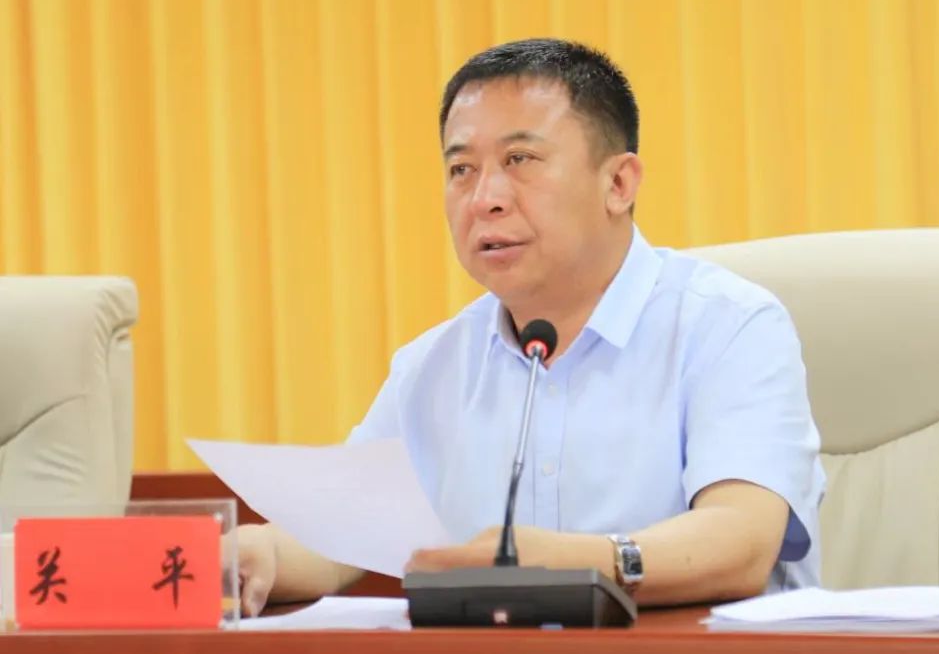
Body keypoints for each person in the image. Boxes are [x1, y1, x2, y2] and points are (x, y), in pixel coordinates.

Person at [235, 38, 825, 617]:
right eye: (461, 169)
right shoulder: (434, 365)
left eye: (520, 160)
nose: (485, 198)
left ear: (618, 184)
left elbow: (742, 540)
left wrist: (580, 563)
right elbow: (343, 533)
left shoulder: (729, 326)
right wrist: (259, 554)